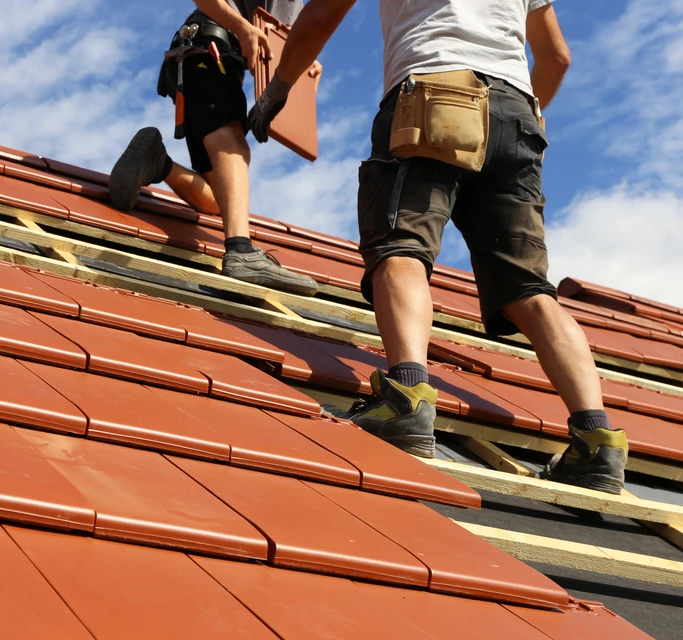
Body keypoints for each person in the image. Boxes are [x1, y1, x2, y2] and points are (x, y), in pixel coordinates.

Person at [249, 0, 628, 493]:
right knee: (529, 288)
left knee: (401, 246)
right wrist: (522, 116)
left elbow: (321, 14)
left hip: (433, 91)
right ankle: (596, 442)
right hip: (516, 114)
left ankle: (405, 394)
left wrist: (278, 89)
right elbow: (556, 57)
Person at [108, 0, 322, 296]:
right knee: (233, 144)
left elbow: (289, 42)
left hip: (200, 58)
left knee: (215, 200)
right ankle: (241, 250)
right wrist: (242, 27)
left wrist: (306, 64)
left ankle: (157, 160)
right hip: (210, 49)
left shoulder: (296, 6)